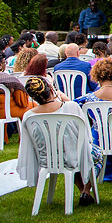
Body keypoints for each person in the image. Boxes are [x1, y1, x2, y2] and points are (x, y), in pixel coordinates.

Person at [16, 76, 98, 206]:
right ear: (50, 89)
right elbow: (86, 135)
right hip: (72, 157)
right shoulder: (70, 107)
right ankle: (86, 190)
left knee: (72, 151)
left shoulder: (29, 116)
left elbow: (28, 143)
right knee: (95, 153)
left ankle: (84, 191)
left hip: (46, 159)